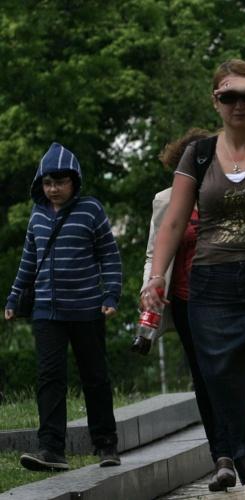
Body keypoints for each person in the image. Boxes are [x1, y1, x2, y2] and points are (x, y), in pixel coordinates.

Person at [140, 58, 245, 500]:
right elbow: (174, 222)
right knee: (235, 407)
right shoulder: (196, 156)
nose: (239, 103)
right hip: (212, 295)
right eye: (228, 95)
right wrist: (156, 277)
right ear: (215, 102)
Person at [5, 143, 123, 471]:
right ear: (39, 184)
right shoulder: (37, 215)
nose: (54, 189)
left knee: (95, 377)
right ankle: (51, 449)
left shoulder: (91, 210)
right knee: (49, 378)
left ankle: (106, 445)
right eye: (47, 183)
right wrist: (14, 298)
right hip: (46, 311)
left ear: (74, 181)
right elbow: (28, 261)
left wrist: (111, 294)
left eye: (60, 182)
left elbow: (109, 256)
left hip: (86, 309)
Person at [141, 128, 236, 492]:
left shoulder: (230, 192)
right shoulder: (166, 200)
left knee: (232, 375)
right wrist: (150, 287)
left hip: (230, 298)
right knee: (205, 377)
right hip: (186, 302)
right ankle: (223, 457)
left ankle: (243, 445)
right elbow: (155, 249)